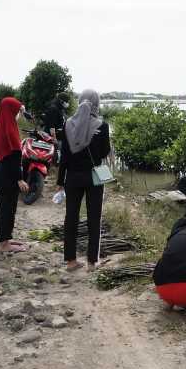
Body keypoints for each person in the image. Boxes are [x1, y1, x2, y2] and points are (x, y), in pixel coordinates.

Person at [56, 89, 110, 271]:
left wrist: (59, 181)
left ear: (79, 101)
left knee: (71, 217)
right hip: (94, 177)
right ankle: (92, 262)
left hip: (71, 177)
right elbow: (104, 152)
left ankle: (71, 261)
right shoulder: (102, 125)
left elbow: (63, 156)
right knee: (94, 218)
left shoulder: (68, 124)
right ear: (96, 103)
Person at [0, 97, 30, 253]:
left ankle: (5, 239)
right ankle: (4, 244)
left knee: (5, 208)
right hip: (9, 174)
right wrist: (19, 178)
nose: (18, 114)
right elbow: (14, 156)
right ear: (11, 111)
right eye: (17, 111)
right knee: (7, 209)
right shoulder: (10, 129)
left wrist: (21, 109)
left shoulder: (3, 124)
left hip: (4, 171)